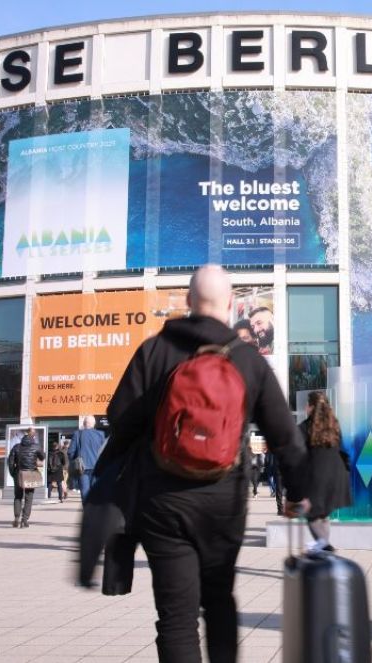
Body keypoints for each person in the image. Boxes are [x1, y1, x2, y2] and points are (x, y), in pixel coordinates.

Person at [103, 265, 308, 663]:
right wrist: (299, 496)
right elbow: (286, 438)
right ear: (231, 306)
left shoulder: (154, 349)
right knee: (218, 601)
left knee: (176, 618)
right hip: (223, 501)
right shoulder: (249, 359)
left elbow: (119, 418)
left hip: (162, 502)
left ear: (188, 302)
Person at [300, 391, 352, 552]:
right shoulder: (334, 425)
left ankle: (325, 546)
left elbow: (297, 454)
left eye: (307, 404)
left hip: (317, 476)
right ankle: (323, 550)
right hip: (338, 475)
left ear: (311, 407)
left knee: (310, 512)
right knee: (323, 515)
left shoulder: (305, 427)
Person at [8, 427, 45, 528]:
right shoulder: (36, 446)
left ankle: (16, 518)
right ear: (33, 437)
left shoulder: (16, 447)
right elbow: (43, 457)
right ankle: (25, 520)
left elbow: (10, 462)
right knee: (29, 497)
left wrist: (13, 473)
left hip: (19, 473)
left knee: (18, 496)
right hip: (31, 474)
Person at [68, 416, 107, 504]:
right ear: (94, 424)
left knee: (85, 493)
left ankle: (87, 513)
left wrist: (74, 461)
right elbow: (105, 452)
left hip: (82, 468)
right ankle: (95, 513)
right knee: (96, 492)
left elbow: (70, 452)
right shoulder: (101, 434)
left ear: (84, 423)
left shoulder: (77, 434)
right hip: (97, 468)